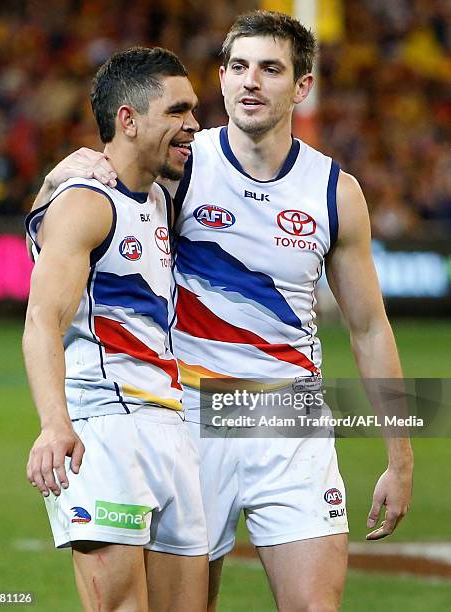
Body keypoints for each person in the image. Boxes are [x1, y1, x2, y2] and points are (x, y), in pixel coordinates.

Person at [33, 11, 414, 612]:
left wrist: (400, 456)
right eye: (238, 67)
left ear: (302, 86)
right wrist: (60, 175)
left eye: (270, 69)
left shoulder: (334, 192)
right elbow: (81, 215)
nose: (250, 82)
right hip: (190, 415)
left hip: (288, 417)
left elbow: (369, 327)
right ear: (221, 77)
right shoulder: (182, 164)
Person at [23, 47, 209, 612]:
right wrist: (55, 426)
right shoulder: (84, 202)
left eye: (194, 110)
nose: (193, 124)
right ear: (127, 119)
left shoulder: (159, 195)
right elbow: (41, 321)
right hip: (104, 431)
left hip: (170, 425)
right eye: (177, 111)